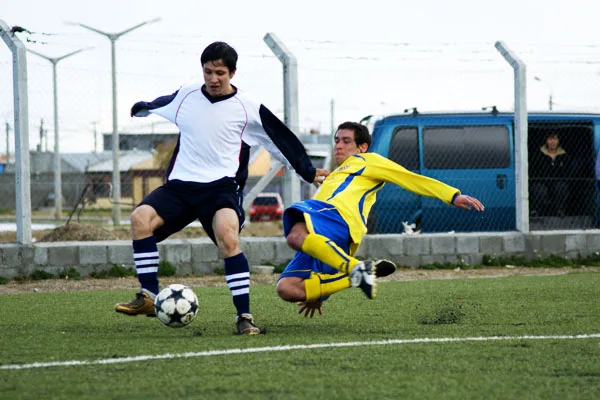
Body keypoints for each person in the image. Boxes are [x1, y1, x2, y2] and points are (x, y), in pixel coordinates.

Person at [114, 41, 328, 334]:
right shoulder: (187, 95)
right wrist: (143, 109)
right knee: (140, 219)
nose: (213, 79)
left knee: (228, 238)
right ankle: (149, 296)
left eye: (220, 73)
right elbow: (162, 102)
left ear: (232, 73)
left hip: (221, 189)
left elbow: (279, 137)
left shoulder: (247, 108)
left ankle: (244, 317)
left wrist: (305, 169)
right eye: (208, 71)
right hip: (180, 186)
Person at [276, 121, 485, 317]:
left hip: (337, 218)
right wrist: (317, 291)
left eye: (346, 141)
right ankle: (360, 273)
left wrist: (452, 195)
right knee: (287, 288)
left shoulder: (368, 161)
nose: (338, 146)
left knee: (295, 235)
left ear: (362, 147)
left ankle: (354, 268)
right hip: (324, 236)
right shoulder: (334, 174)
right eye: (337, 140)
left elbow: (410, 178)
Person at [530, 133, 571, 217]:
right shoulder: (538, 154)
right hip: (541, 181)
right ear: (546, 141)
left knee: (561, 188)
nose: (552, 142)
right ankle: (536, 211)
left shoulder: (564, 155)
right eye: (550, 139)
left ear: (558, 141)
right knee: (539, 190)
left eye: (555, 139)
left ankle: (560, 210)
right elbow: (533, 169)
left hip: (557, 181)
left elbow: (568, 170)